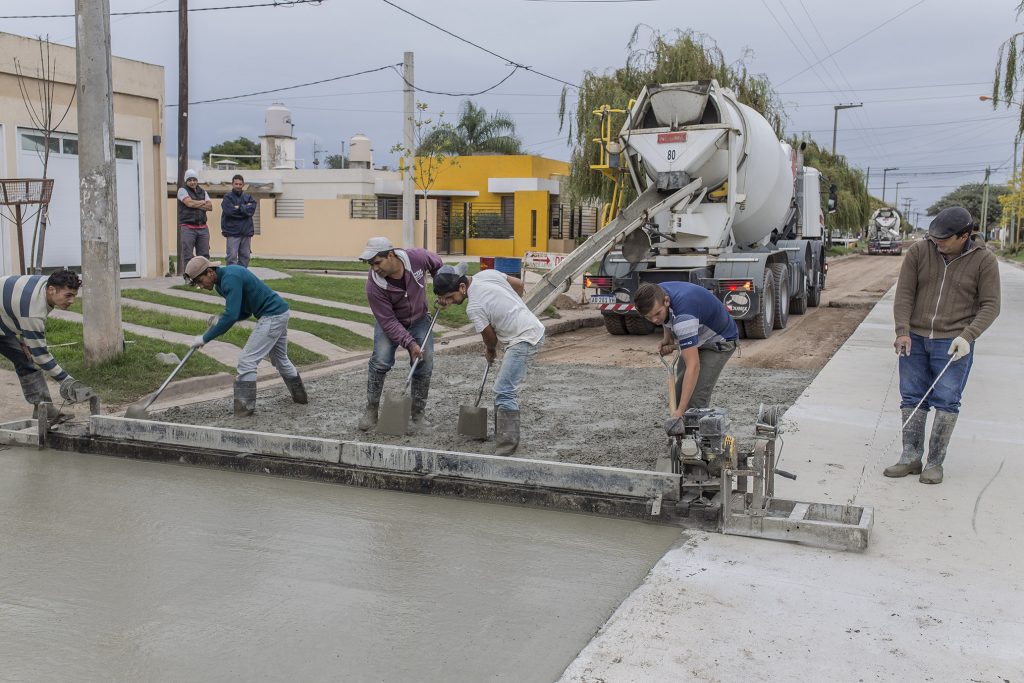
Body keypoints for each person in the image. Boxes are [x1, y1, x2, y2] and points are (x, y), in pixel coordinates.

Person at [884, 206, 1000, 485]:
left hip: (953, 343)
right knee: (912, 396)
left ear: (964, 236)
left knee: (947, 400)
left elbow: (991, 305)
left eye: (944, 239)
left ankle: (934, 463)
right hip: (916, 338)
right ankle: (910, 457)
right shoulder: (919, 252)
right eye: (934, 237)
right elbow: (904, 295)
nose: (937, 243)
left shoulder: (984, 261)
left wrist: (968, 336)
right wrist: (902, 331)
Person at [434, 263, 544, 456]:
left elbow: (490, 337)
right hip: (529, 329)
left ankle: (507, 447)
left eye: (450, 298)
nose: (450, 302)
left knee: (504, 390)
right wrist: (511, 306)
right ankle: (501, 434)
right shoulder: (486, 275)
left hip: (525, 337)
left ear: (461, 287)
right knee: (501, 386)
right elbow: (518, 284)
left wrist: (490, 350)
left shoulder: (474, 306)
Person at [183, 256, 307, 417]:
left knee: (247, 361)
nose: (200, 285)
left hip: (272, 315)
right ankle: (301, 398)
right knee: (279, 359)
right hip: (279, 312)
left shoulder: (230, 279)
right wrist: (221, 319)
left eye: (200, 281)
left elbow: (231, 315)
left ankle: (244, 411)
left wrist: (205, 338)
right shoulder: (221, 284)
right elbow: (244, 311)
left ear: (210, 272)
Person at [357, 236, 443, 431]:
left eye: (377, 262)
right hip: (390, 323)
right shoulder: (374, 286)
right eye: (371, 264)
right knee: (380, 360)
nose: (374, 268)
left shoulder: (417, 258)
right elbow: (387, 321)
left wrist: (442, 287)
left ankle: (418, 414)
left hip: (419, 319)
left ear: (390, 255)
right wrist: (410, 344)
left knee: (425, 361)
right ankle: (371, 410)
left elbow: (438, 265)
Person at [633, 281, 739, 435]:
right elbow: (666, 317)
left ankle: (695, 449)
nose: (655, 320)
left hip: (718, 340)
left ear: (666, 300)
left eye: (657, 314)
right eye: (649, 318)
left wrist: (680, 413)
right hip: (697, 333)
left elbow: (693, 366)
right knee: (678, 394)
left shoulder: (684, 318)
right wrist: (667, 337)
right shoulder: (654, 292)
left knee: (694, 404)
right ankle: (681, 439)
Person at [0, 269, 96, 418]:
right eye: (68, 296)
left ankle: (44, 411)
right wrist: (68, 381)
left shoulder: (47, 283)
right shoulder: (33, 311)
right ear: (51, 290)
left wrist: (25, 339)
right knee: (31, 358)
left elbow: (17, 309)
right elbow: (41, 357)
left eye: (74, 296)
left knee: (26, 359)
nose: (72, 301)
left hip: (5, 316)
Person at [177, 169, 212, 270]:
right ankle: (189, 278)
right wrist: (202, 202)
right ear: (186, 181)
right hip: (188, 228)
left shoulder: (203, 191)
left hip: (203, 227)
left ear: (197, 180)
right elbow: (189, 203)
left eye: (194, 179)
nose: (192, 182)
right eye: (190, 180)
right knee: (187, 254)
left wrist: (195, 203)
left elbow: (210, 207)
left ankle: (204, 278)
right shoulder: (182, 190)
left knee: (204, 255)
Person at [221, 174, 257, 267]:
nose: (238, 186)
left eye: (240, 184)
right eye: (236, 184)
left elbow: (251, 210)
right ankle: (231, 277)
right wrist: (245, 210)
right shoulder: (227, 197)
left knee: (245, 256)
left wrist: (239, 208)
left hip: (246, 232)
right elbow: (229, 212)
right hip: (232, 232)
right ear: (232, 184)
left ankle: (242, 276)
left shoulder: (248, 197)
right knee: (232, 257)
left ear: (243, 185)